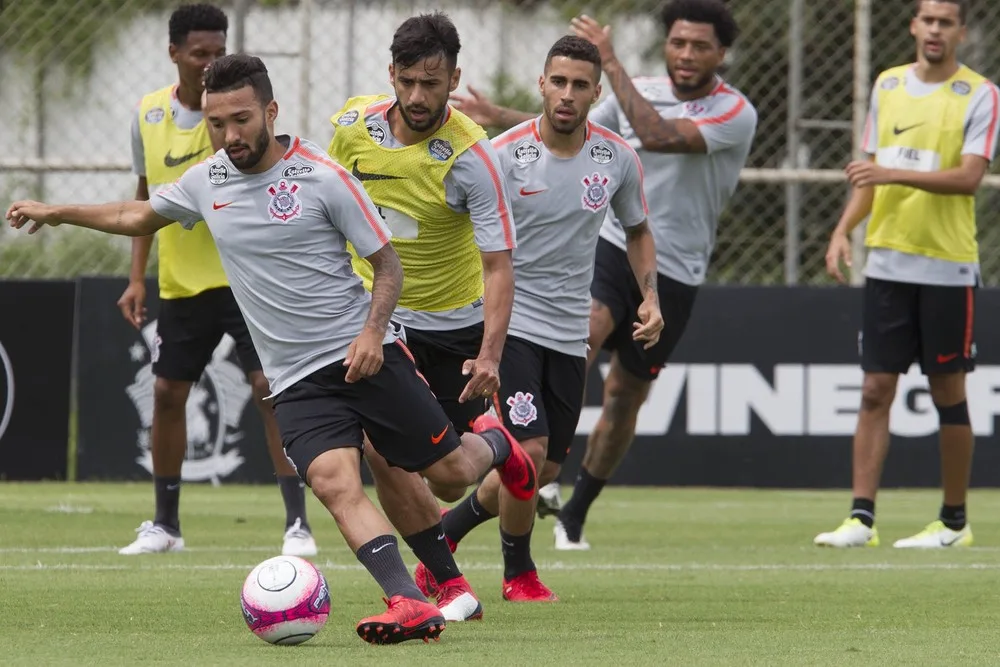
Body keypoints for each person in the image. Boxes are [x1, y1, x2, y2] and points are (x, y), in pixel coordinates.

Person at [8, 53, 536, 646]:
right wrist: (58, 212)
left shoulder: (322, 176)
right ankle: (408, 601)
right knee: (337, 485)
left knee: (449, 476)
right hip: (294, 379)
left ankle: (495, 441)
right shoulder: (207, 182)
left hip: (366, 355)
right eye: (216, 123)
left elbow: (387, 267)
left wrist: (369, 334)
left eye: (241, 120)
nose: (229, 136)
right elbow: (137, 213)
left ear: (270, 111)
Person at [450, 0, 757, 549]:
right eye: (678, 42)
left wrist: (611, 67)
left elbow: (657, 134)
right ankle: (527, 425)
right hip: (610, 243)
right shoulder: (626, 87)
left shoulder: (735, 112)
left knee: (624, 397)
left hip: (677, 265)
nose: (685, 54)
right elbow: (568, 131)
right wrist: (499, 116)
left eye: (699, 46)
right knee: (586, 326)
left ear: (721, 53)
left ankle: (573, 507)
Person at [414, 35, 662, 603]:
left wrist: (650, 297)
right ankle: (518, 573)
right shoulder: (501, 156)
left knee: (542, 471)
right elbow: (449, 222)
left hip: (570, 334)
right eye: (558, 81)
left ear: (597, 94)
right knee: (526, 455)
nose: (567, 94)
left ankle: (444, 536)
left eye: (580, 85)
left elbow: (638, 232)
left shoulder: (616, 159)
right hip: (510, 326)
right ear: (542, 85)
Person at [325, 12, 525, 615]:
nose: (417, 96)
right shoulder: (353, 127)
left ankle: (494, 444)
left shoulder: (473, 157)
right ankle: (448, 581)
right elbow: (329, 205)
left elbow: (498, 266)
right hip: (376, 317)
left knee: (449, 477)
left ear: (454, 77)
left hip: (451, 325)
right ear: (391, 73)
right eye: (407, 80)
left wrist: (489, 354)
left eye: (431, 83)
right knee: (382, 446)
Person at [113, 3, 314, 558]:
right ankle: (166, 525)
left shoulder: (231, 111)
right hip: (182, 283)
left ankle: (298, 524)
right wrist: (137, 277)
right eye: (200, 54)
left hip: (246, 278)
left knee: (269, 392)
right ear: (174, 53)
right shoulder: (148, 114)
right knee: (167, 392)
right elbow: (143, 198)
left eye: (218, 52)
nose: (210, 64)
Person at [816, 0, 998, 549]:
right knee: (875, 389)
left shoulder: (981, 94)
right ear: (914, 26)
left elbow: (968, 178)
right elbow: (868, 180)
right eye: (928, 20)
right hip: (887, 264)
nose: (936, 30)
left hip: (946, 266)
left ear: (960, 32)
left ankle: (954, 522)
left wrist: (891, 171)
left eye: (947, 21)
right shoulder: (888, 84)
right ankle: (861, 519)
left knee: (948, 392)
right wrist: (843, 228)